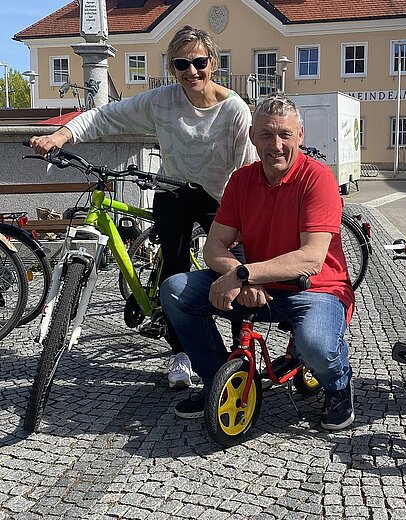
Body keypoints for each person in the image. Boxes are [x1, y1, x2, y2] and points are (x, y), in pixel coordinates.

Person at [29, 25, 257, 389]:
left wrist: (246, 216)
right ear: (172, 68)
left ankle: (237, 353)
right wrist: (60, 135)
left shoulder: (234, 111)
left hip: (220, 196)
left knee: (231, 269)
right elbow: (106, 116)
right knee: (174, 268)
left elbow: (247, 170)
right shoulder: (162, 100)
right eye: (182, 64)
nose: (191, 71)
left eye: (199, 62)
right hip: (172, 189)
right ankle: (182, 353)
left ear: (212, 63)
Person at [160, 95, 355, 431]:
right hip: (258, 286)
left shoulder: (318, 178)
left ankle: (338, 386)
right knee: (175, 290)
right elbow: (215, 245)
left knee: (316, 346)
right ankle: (219, 382)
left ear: (300, 136)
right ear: (252, 136)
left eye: (284, 135)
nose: (275, 145)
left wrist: (243, 274)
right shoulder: (242, 180)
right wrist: (244, 279)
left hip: (316, 289)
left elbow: (310, 258)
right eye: (266, 134)